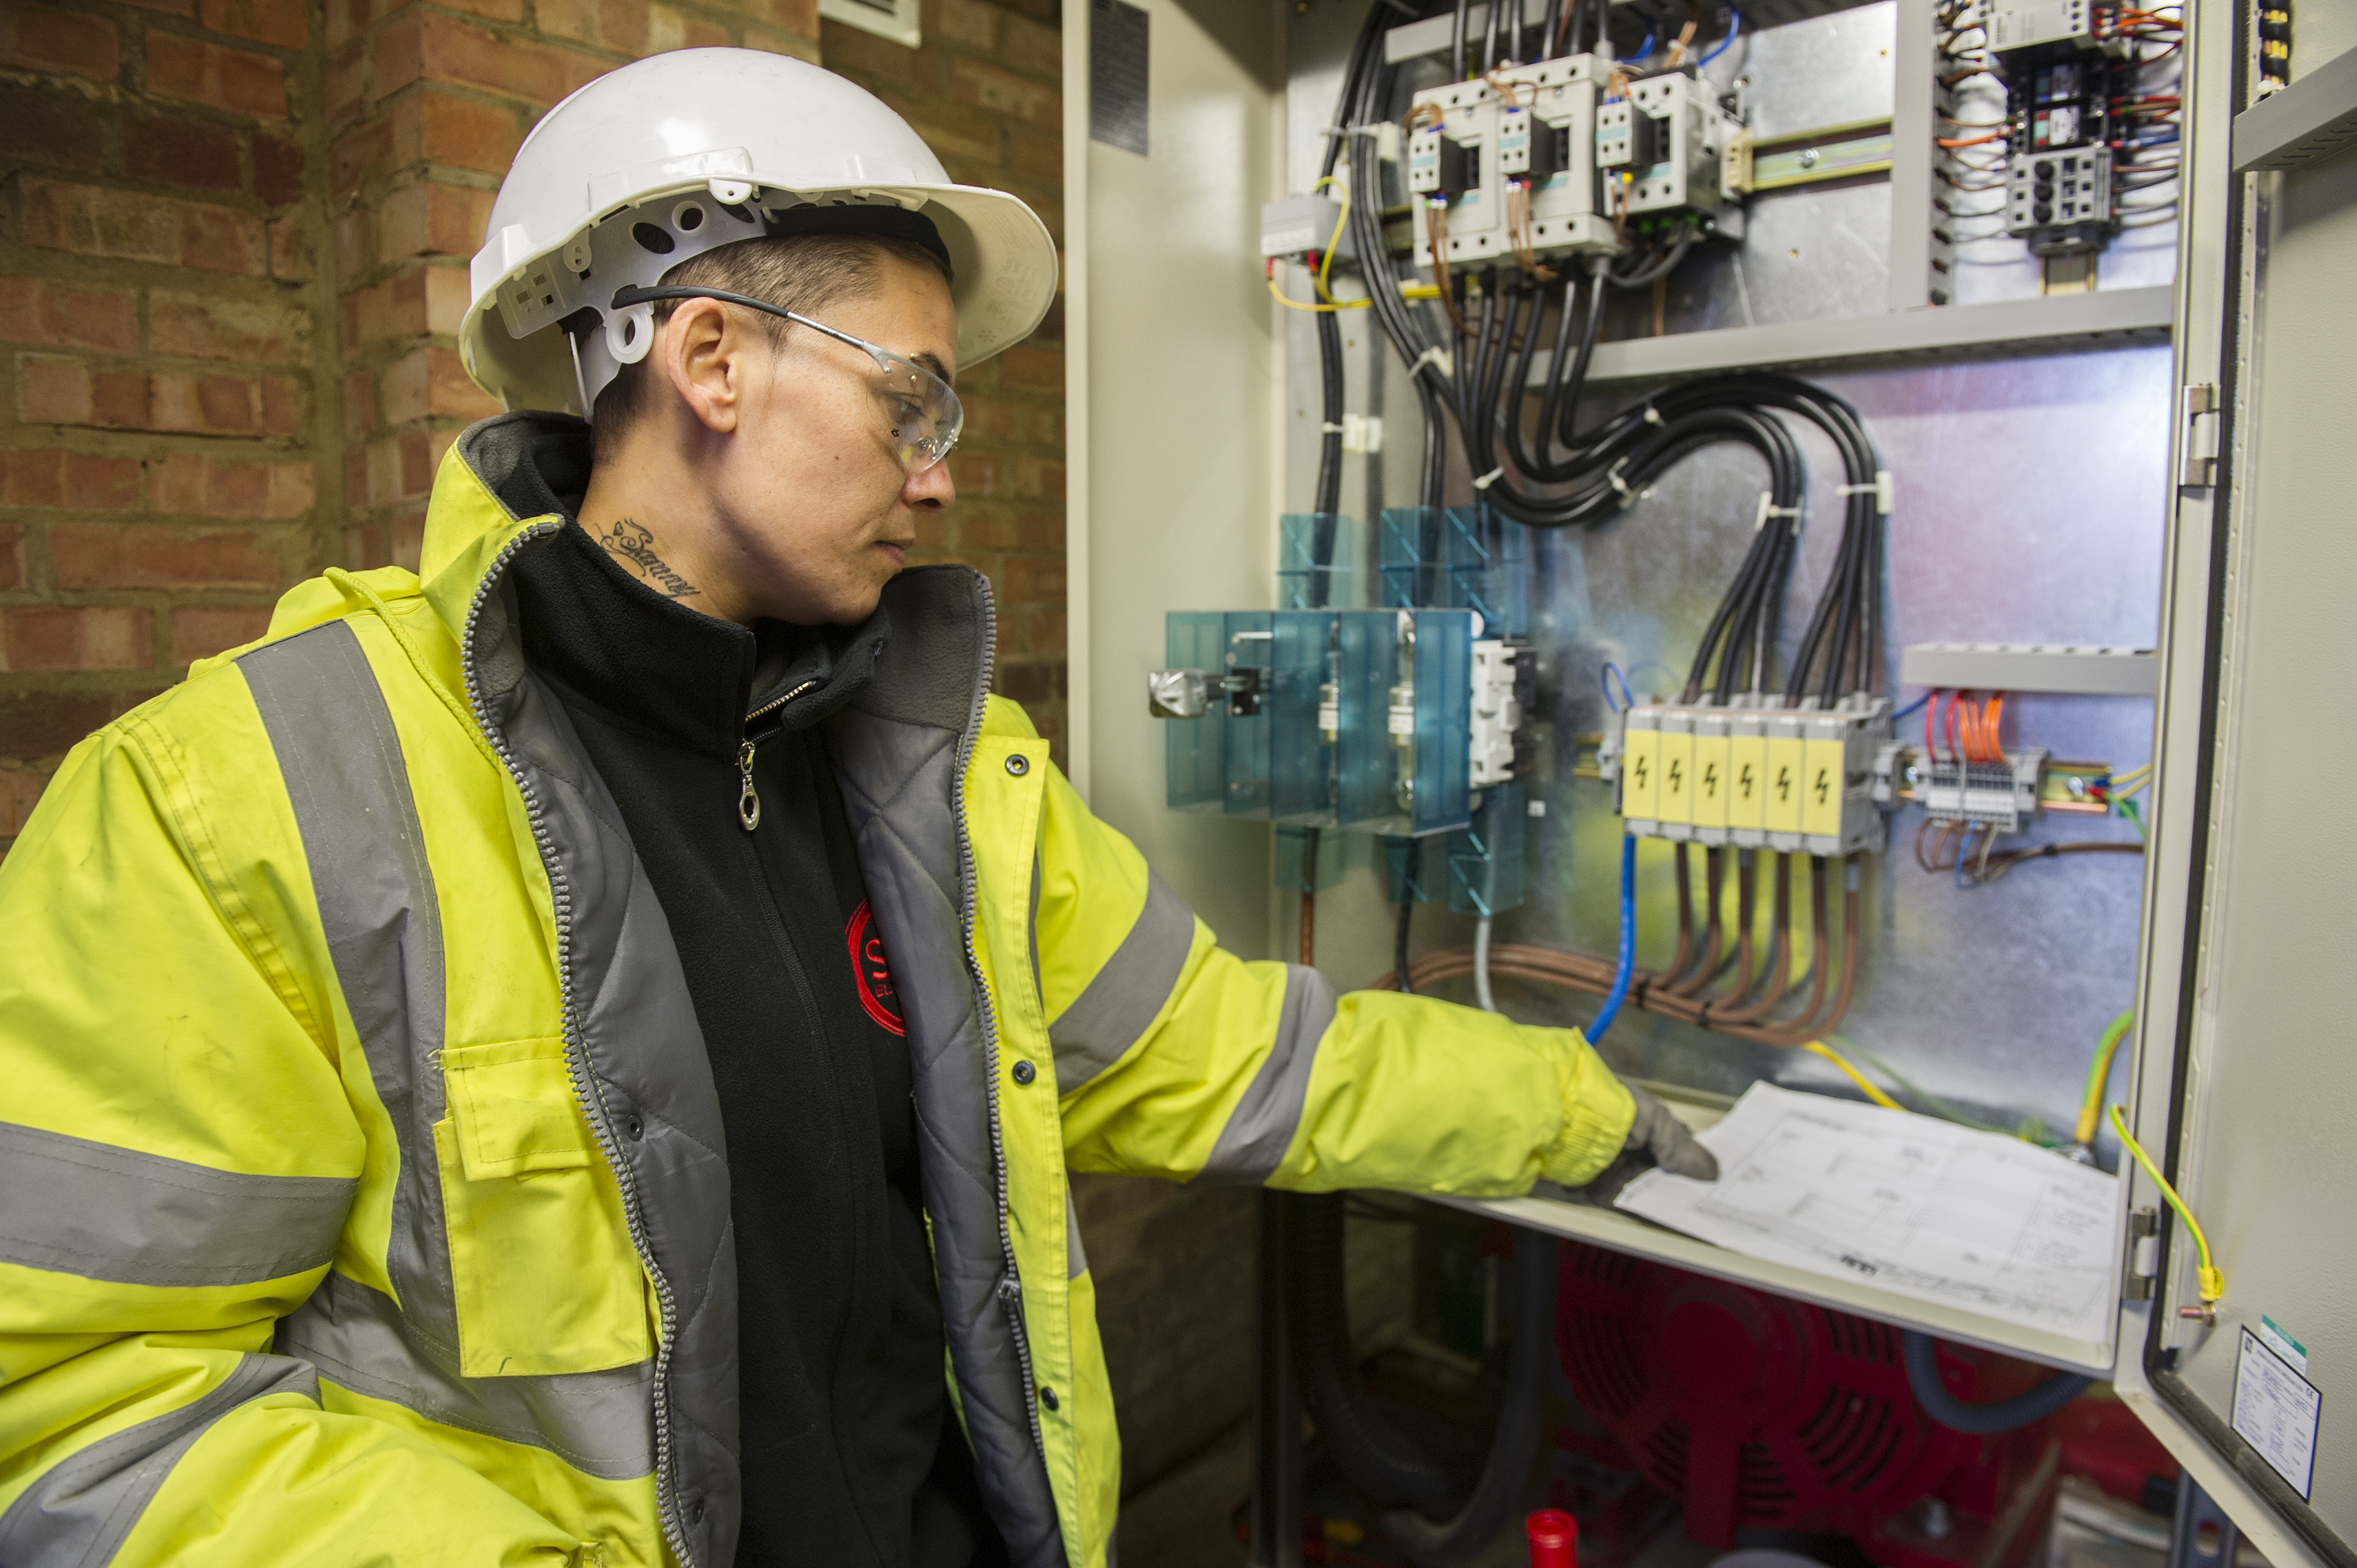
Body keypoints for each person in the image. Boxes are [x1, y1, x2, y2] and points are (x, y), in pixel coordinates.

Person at [0, 48, 1713, 1568]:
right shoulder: (248, 801)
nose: (946, 465)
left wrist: (1587, 1114)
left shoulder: (949, 783)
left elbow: (1243, 1057)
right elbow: (78, 1413)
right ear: (714, 357)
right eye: (914, 398)